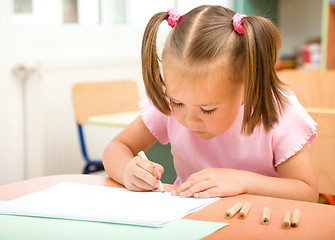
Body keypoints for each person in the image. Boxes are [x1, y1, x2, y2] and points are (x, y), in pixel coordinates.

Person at [103, 5, 318, 202]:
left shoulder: (279, 111)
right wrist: (127, 170)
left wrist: (243, 182)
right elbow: (117, 147)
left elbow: (306, 192)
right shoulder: (173, 100)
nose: (189, 119)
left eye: (207, 109)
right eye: (177, 103)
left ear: (247, 85)